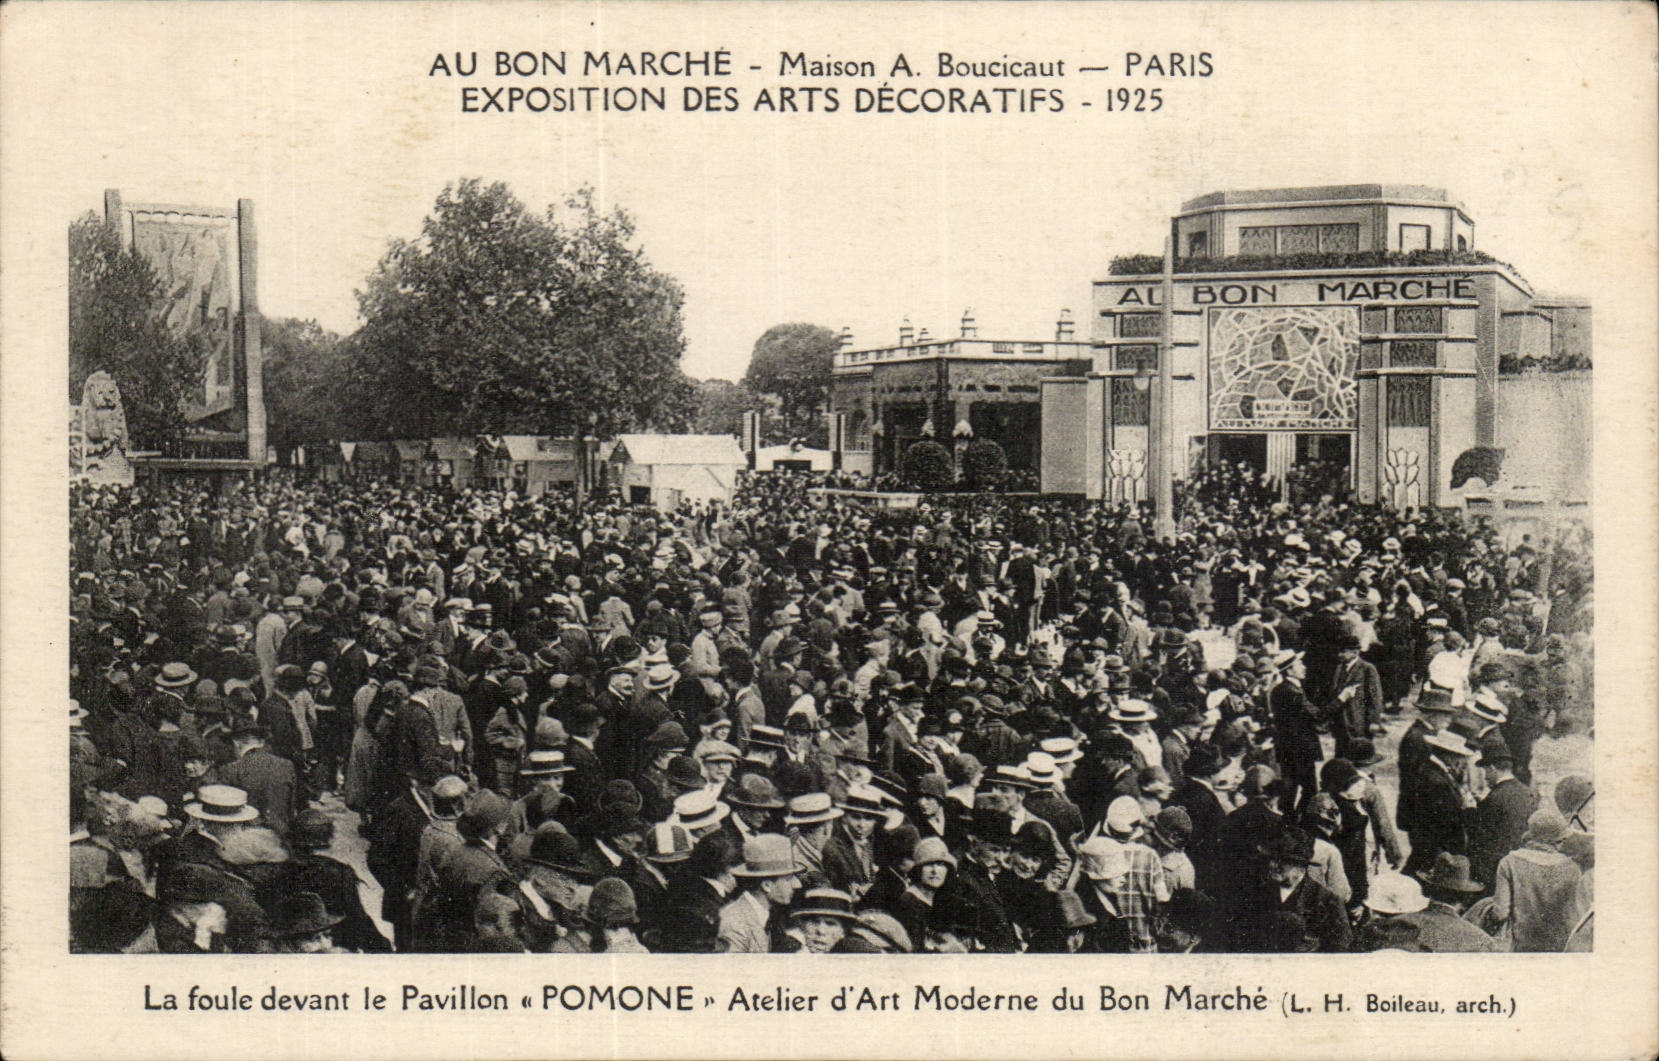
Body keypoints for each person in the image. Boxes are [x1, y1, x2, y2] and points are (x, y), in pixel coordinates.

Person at [1492, 808, 1584, 952]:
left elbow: (1500, 913)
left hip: (1523, 948)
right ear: (1560, 839)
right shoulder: (1573, 868)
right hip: (1561, 949)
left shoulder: (1509, 863)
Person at [718, 833, 801, 953]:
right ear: (767, 885)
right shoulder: (735, 924)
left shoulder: (766, 916)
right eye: (788, 879)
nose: (797, 884)